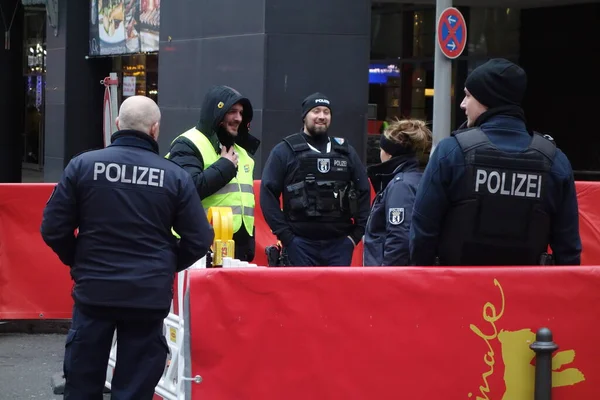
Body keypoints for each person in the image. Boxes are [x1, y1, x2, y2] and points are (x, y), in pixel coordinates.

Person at [40, 96, 214, 399]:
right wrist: (165, 263)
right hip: (147, 296)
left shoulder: (83, 165)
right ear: (155, 129)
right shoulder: (174, 176)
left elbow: (53, 228)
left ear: (117, 125)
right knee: (134, 388)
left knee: (81, 383)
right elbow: (199, 238)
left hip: (94, 291)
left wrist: (78, 259)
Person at [409, 58, 581, 266]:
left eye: (468, 95)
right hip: (527, 294)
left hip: (456, 292)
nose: (463, 104)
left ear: (486, 98)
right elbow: (568, 251)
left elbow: (422, 234)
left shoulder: (451, 152)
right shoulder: (555, 161)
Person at [260, 92, 371, 266]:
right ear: (305, 116)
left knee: (335, 294)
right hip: (299, 245)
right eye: (316, 111)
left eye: (326, 112)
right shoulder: (285, 151)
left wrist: (355, 236)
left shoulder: (346, 151)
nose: (321, 116)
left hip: (339, 246)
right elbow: (267, 194)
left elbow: (364, 191)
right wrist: (286, 237)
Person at [166, 85, 260, 262]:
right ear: (216, 113)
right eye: (232, 111)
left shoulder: (243, 153)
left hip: (239, 248)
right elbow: (187, 189)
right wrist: (224, 167)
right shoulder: (188, 143)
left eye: (241, 113)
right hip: (200, 246)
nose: (238, 118)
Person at [363, 119, 431, 266]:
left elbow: (399, 238)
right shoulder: (414, 178)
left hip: (387, 276)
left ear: (388, 153)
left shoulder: (401, 186)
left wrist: (387, 276)